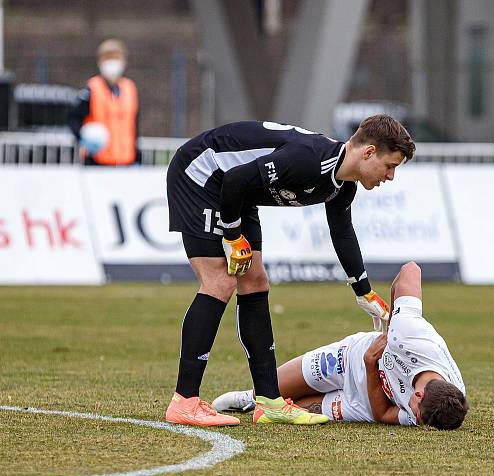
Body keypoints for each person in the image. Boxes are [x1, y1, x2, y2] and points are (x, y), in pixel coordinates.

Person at [164, 116, 416, 427]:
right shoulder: (309, 160)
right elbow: (235, 180)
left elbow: (342, 233)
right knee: (220, 280)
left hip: (238, 192)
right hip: (202, 173)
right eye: (389, 166)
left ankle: (268, 401)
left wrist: (364, 291)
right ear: (368, 152)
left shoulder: (342, 186)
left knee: (255, 282)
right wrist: (231, 236)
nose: (390, 176)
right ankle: (184, 400)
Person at [213, 262, 469, 430]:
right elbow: (411, 269)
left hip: (362, 405)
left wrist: (371, 365)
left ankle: (256, 403)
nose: (416, 422)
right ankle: (249, 397)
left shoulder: (442, 406)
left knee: (292, 411)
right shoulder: (412, 336)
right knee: (270, 391)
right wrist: (392, 326)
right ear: (419, 395)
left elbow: (382, 414)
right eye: (418, 415)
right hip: (347, 359)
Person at [69, 39, 139, 166]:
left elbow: (134, 125)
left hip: (126, 161)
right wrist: (84, 138)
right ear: (100, 62)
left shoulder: (130, 88)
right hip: (97, 161)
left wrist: (137, 155)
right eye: (108, 58)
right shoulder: (91, 89)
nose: (112, 62)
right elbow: (74, 119)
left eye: (116, 57)